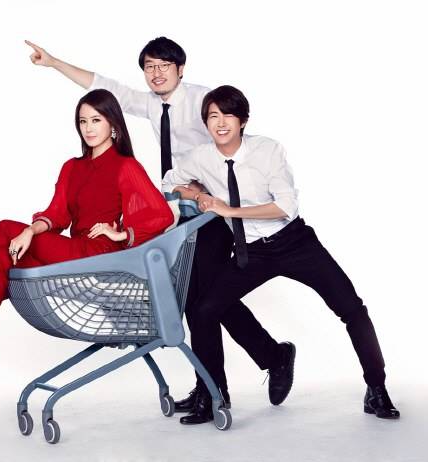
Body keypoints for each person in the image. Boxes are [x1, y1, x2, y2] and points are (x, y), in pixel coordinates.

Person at [25, 37, 296, 412]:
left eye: (164, 66)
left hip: (212, 215)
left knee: (202, 300)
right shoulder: (152, 104)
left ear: (180, 69)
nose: (156, 73)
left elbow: (231, 142)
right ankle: (248, 368)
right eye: (149, 67)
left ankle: (218, 389)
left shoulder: (202, 101)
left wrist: (211, 188)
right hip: (177, 213)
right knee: (197, 299)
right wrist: (55, 63)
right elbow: (105, 86)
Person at [162, 84, 400, 424]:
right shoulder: (201, 157)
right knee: (203, 310)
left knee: (351, 308)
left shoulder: (267, 150)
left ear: (243, 120)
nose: (221, 123)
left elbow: (285, 206)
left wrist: (227, 210)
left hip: (294, 244)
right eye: (213, 116)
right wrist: (197, 193)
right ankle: (215, 394)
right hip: (251, 253)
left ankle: (377, 388)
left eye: (228, 115)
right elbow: (169, 181)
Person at [0, 89, 174, 383]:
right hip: (73, 252)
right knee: (5, 253)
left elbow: (162, 215)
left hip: (99, 255)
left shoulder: (126, 166)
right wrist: (30, 230)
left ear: (113, 124)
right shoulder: (72, 167)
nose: (88, 128)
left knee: (5, 229)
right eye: (83, 121)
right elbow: (57, 215)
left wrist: (121, 233)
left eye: (96, 120)